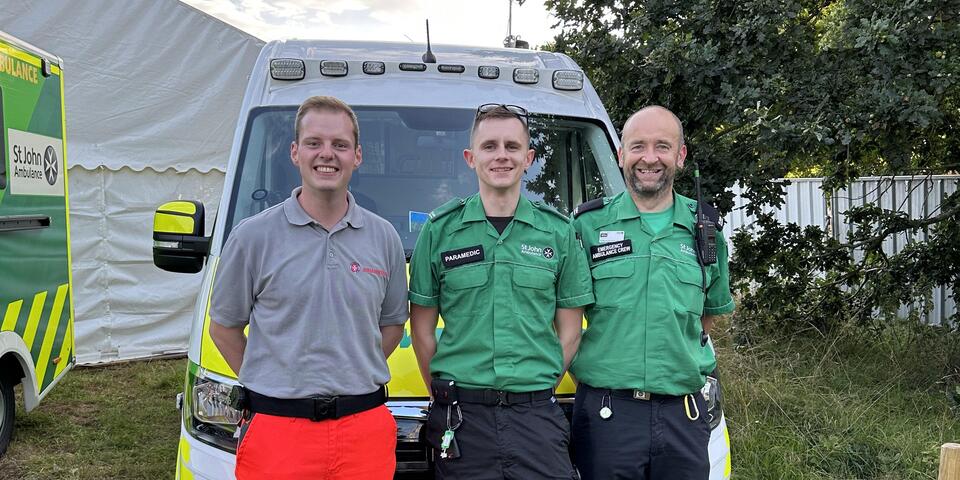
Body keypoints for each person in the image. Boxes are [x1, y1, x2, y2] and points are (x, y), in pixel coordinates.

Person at [208, 95, 408, 480]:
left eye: (340, 145)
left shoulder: (385, 238)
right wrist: (273, 378)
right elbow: (224, 328)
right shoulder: (252, 237)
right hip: (277, 430)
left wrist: (348, 370)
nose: (326, 154)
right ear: (295, 152)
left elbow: (392, 325)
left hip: (363, 429)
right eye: (314, 143)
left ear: (357, 156)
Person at [408, 104, 593, 479]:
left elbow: (571, 331)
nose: (501, 155)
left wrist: (535, 383)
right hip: (462, 419)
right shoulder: (439, 231)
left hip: (536, 416)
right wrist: (444, 394)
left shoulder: (558, 232)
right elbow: (421, 330)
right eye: (489, 146)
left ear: (529, 158)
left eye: (512, 146)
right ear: (470, 157)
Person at [569, 105, 736, 480]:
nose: (649, 158)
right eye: (638, 146)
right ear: (620, 155)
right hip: (607, 415)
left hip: (684, 414)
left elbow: (707, 315)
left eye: (662, 146)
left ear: (680, 155)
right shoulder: (586, 227)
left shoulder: (705, 229)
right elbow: (563, 316)